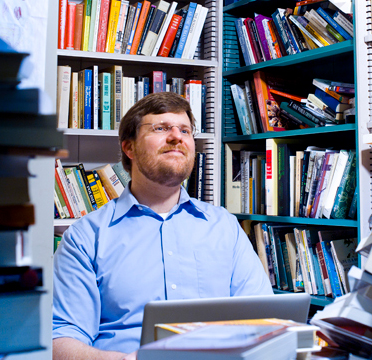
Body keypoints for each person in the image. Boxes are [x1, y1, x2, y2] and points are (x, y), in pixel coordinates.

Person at [52, 92, 273, 360]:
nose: (176, 137)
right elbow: (61, 339)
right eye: (160, 128)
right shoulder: (85, 238)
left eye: (185, 130)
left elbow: (263, 320)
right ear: (129, 148)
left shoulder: (225, 227)